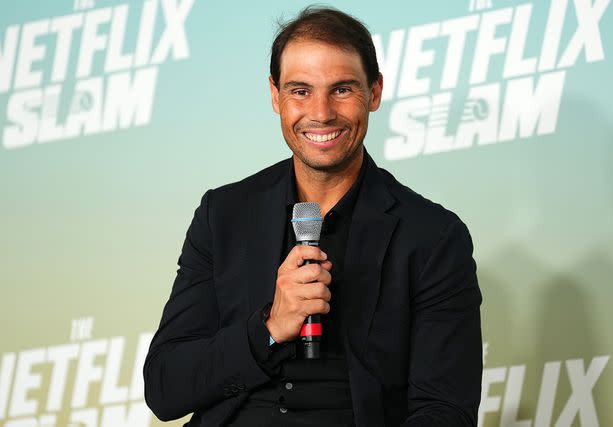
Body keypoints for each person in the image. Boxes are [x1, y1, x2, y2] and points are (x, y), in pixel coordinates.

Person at [143, 6, 482, 427]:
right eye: (300, 91)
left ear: (374, 92)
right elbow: (164, 387)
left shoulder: (432, 236)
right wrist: (269, 327)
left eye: (342, 89)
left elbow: (446, 411)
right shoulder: (223, 215)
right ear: (275, 96)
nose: (321, 113)